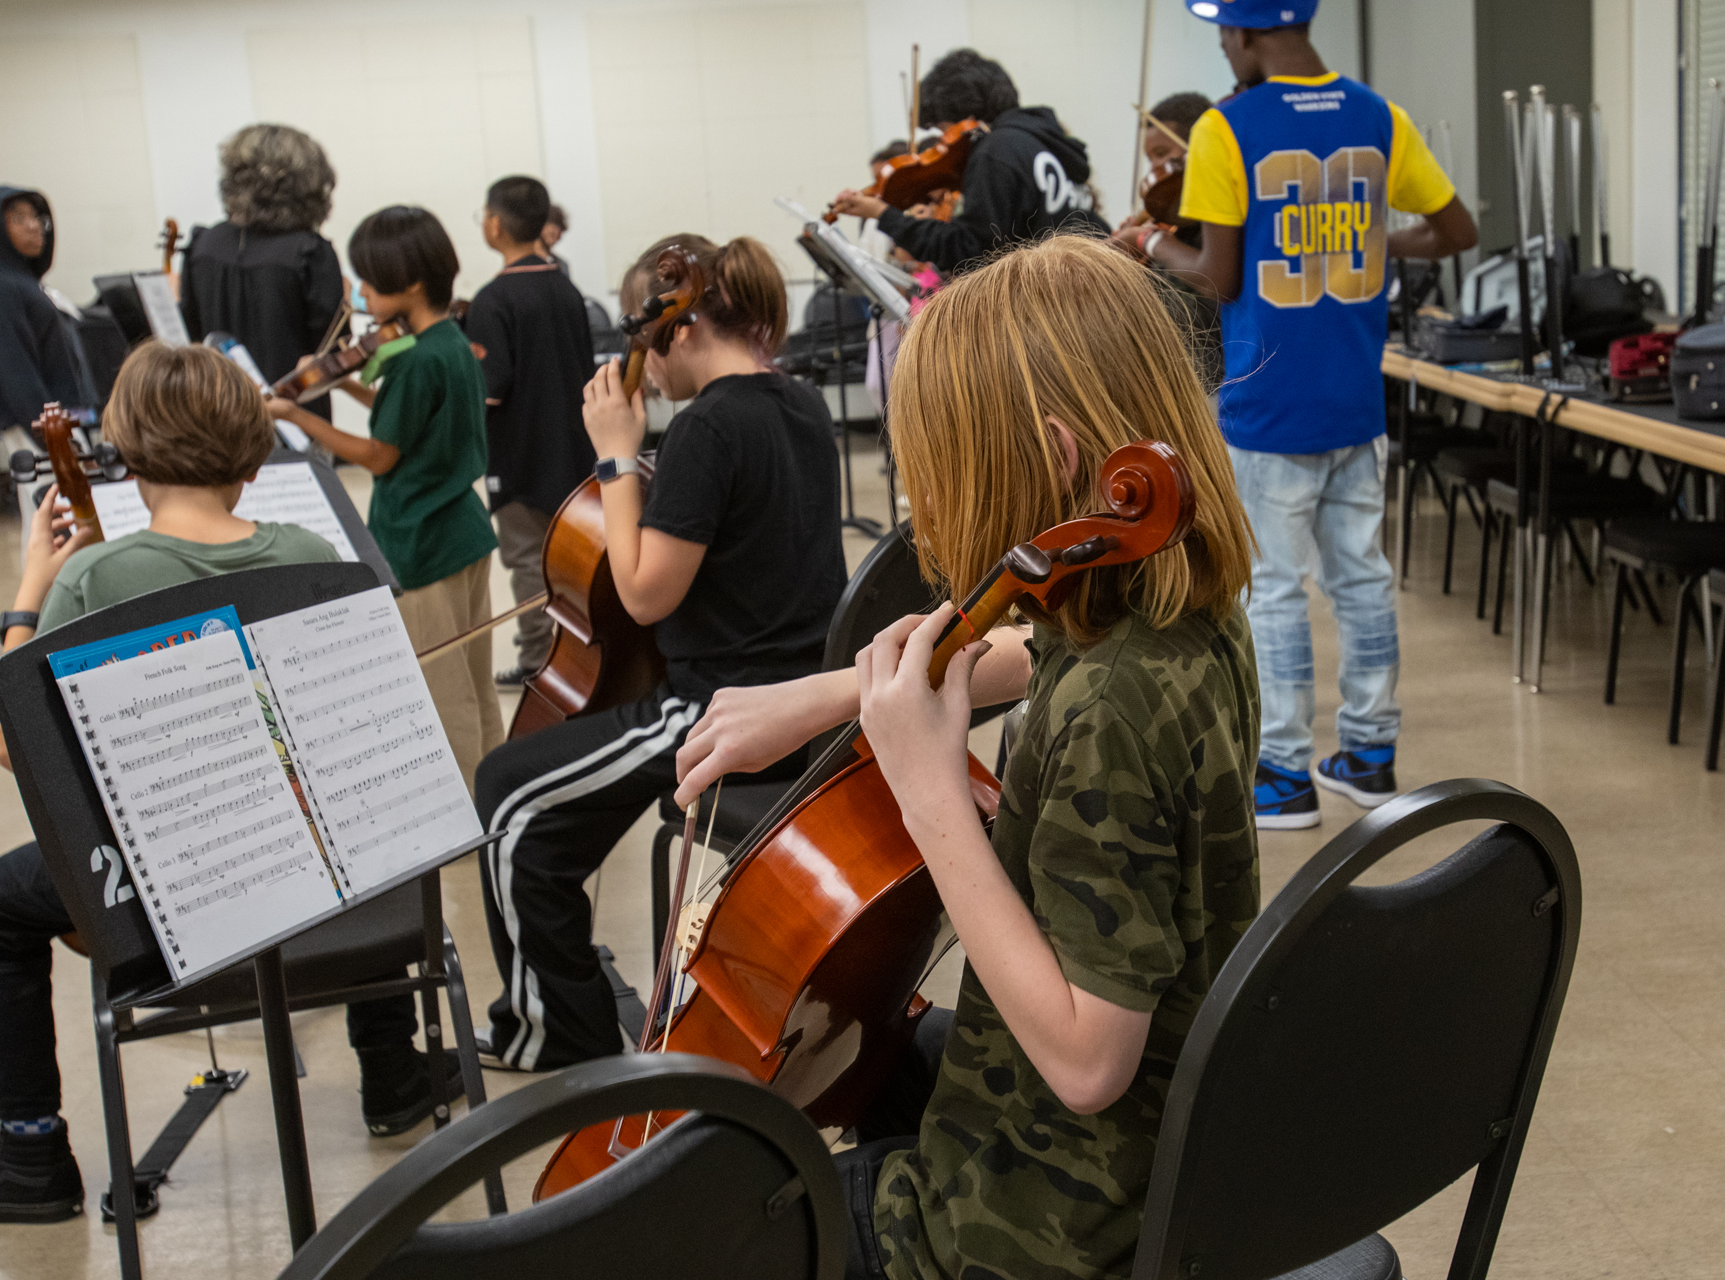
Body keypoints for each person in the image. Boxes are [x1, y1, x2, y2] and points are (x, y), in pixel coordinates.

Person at [671, 235, 1261, 1279]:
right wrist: (831, 693)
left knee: (715, 1223)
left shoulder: (1109, 719)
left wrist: (932, 791)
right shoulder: (1176, 605)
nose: (924, 512)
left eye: (937, 475)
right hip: (1182, 1126)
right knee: (872, 1055)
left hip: (1051, 1223)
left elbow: (1086, 1060)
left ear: (1058, 455)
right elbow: (1035, 648)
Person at [0, 345, 453, 1227]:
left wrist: (27, 593)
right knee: (346, 812)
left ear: (126, 452)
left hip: (182, 908)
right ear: (248, 451)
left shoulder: (94, 578)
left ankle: (30, 1151)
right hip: (333, 895)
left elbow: (20, 751)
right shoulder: (315, 550)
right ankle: (393, 1072)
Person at [475, 233, 847, 1071]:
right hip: (803, 703)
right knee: (535, 784)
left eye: (648, 341)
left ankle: (554, 1038)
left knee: (508, 797)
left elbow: (645, 594)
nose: (644, 361)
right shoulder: (800, 405)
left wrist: (614, 453)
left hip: (722, 712)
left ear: (678, 330)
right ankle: (562, 1001)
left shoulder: (708, 427)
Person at [1119, 0, 1478, 829]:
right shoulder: (1377, 115)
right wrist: (1385, 243)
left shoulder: (1226, 127)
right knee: (1362, 581)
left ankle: (1282, 774)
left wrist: (1146, 245)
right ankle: (1370, 754)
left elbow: (1217, 277)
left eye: (1221, 32)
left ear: (1245, 35)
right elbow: (1455, 228)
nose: (1221, 46)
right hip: (1356, 399)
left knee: (1274, 592)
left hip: (1269, 404)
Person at [267, 207, 502, 786]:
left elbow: (379, 455)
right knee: (476, 684)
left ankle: (465, 813)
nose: (363, 294)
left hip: (422, 540)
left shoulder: (415, 360)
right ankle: (495, 790)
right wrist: (345, 381)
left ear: (411, 282)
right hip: (464, 530)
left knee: (442, 694)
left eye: (370, 281)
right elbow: (406, 424)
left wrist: (296, 411)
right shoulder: (449, 342)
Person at [467, 176, 597, 685]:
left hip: (520, 456)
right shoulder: (566, 286)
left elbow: (490, 388)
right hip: (573, 450)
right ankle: (580, 655)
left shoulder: (494, 298)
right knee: (574, 558)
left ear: (495, 224)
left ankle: (537, 660)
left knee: (527, 562)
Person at [829, 48, 1109, 274]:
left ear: (966, 116)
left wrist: (882, 214)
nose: (945, 142)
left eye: (943, 129)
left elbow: (971, 251)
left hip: (1047, 302)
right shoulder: (1043, 142)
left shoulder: (996, 150)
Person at [180, 123, 345, 428]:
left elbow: (192, 331)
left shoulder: (203, 244)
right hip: (296, 415)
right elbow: (330, 349)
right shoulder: (310, 252)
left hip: (218, 412)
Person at [0, 185, 99, 439]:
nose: (33, 226)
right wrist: (53, 438)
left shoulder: (25, 285)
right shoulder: (5, 288)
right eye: (18, 219)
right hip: (39, 428)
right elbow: (16, 374)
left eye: (35, 217)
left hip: (58, 422)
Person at [1116, 91, 1224, 390]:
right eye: (1150, 158)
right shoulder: (1174, 229)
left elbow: (1193, 317)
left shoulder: (1218, 227)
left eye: (1163, 154)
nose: (1155, 169)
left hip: (1213, 385)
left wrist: (1146, 240)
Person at [538, 202, 572, 275]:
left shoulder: (562, 265)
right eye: (547, 225)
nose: (551, 230)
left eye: (557, 226)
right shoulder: (524, 263)